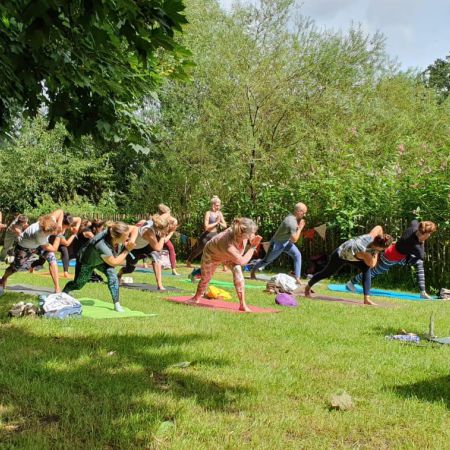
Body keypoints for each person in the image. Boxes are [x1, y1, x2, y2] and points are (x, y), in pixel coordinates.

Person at [346, 220, 437, 299]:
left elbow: (414, 221)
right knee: (374, 272)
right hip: (390, 257)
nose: (429, 235)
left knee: (419, 263)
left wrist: (422, 231)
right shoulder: (414, 243)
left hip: (401, 256)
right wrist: (422, 241)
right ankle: (351, 283)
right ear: (424, 233)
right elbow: (421, 255)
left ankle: (422, 292)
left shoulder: (414, 228)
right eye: (429, 234)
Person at [304, 226, 393, 305]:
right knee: (326, 273)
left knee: (366, 269)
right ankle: (307, 288)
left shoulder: (372, 235)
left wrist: (381, 240)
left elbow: (379, 227)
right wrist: (377, 251)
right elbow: (372, 264)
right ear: (380, 247)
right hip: (340, 255)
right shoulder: (366, 252)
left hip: (354, 255)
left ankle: (367, 299)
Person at [190, 218, 263, 312]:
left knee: (238, 271)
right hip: (211, 255)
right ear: (241, 233)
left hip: (227, 256)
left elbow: (250, 234)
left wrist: (252, 237)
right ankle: (195, 298)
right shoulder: (227, 243)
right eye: (249, 234)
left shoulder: (242, 231)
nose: (251, 235)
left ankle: (242, 304)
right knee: (206, 278)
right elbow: (242, 261)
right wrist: (253, 247)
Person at [63, 221, 138, 312]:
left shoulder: (117, 230)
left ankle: (116, 304)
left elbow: (135, 228)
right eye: (126, 236)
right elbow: (114, 262)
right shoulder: (101, 245)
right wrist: (127, 250)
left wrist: (131, 240)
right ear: (115, 237)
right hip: (87, 262)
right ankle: (64, 292)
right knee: (78, 285)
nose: (128, 237)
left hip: (102, 260)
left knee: (112, 275)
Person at [0, 210, 65, 293]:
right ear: (44, 230)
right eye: (51, 233)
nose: (53, 233)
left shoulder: (49, 221)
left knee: (52, 258)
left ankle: (57, 288)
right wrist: (59, 235)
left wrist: (59, 225)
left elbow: (60, 211)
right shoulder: (39, 234)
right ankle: (4, 278)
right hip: (24, 248)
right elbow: (53, 249)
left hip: (37, 245)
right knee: (14, 268)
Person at [251, 202, 307, 284]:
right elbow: (294, 239)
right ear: (298, 211)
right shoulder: (291, 221)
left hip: (286, 242)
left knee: (297, 255)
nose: (304, 215)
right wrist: (300, 228)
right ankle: (253, 271)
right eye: (304, 212)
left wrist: (297, 228)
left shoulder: (292, 218)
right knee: (266, 261)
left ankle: (297, 278)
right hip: (277, 244)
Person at [117, 215, 175, 290]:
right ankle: (120, 273)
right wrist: (163, 236)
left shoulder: (156, 222)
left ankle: (159, 285)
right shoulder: (149, 231)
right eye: (165, 229)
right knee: (130, 269)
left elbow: (166, 216)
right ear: (159, 228)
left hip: (145, 245)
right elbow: (158, 248)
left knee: (156, 256)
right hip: (134, 247)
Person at [186, 196, 227, 268]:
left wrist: (219, 222)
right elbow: (206, 227)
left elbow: (225, 225)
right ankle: (189, 260)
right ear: (213, 205)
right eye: (217, 205)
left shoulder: (219, 213)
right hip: (206, 235)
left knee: (220, 249)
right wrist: (216, 222)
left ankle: (224, 266)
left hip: (215, 235)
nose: (219, 207)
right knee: (199, 250)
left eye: (219, 205)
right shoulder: (208, 213)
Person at [157, 204, 180, 276]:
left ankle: (173, 269)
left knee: (171, 248)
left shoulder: (174, 221)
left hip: (166, 237)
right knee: (153, 250)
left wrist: (166, 238)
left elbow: (172, 232)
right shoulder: (159, 219)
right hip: (157, 236)